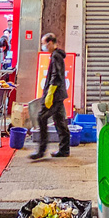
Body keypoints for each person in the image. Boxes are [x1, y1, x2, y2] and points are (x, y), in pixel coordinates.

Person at [31, 32, 70, 160]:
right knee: (59, 121)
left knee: (41, 118)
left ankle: (41, 151)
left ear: (50, 43)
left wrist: (50, 94)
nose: (43, 46)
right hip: (58, 95)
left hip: (55, 96)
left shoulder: (55, 56)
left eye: (43, 44)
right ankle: (64, 150)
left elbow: (56, 76)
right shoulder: (56, 55)